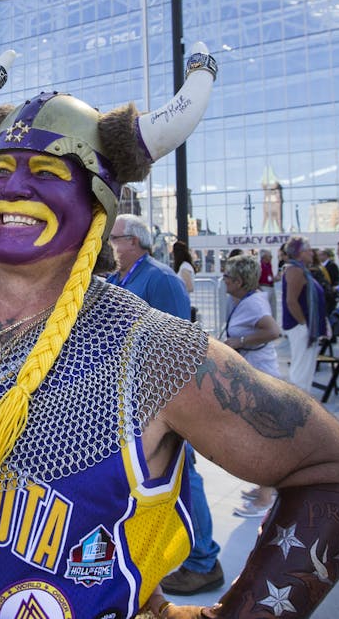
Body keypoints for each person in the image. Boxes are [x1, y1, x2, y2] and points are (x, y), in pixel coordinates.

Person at [0, 70, 339, 619]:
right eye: (0, 170)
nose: (14, 188)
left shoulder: (150, 351)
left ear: (97, 204)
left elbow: (337, 470)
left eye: (46, 171)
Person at [109, 218, 223, 596]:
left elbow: (180, 344)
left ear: (135, 242)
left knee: (184, 472)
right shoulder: (122, 278)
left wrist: (171, 404)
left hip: (160, 400)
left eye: (116, 238)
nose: (110, 243)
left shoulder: (159, 279)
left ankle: (204, 560)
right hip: (130, 398)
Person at [217, 253, 283, 520]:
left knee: (261, 437)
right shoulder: (247, 300)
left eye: (229, 277)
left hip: (260, 375)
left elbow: (273, 331)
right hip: (253, 373)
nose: (224, 281)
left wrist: (240, 340)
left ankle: (265, 498)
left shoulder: (254, 304)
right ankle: (264, 488)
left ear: (241, 281)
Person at [108, 215, 192, 320]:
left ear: (133, 241)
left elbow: (178, 333)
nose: (107, 244)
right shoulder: (113, 278)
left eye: (113, 238)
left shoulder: (163, 279)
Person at [280, 237, 325, 393]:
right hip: (300, 327)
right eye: (309, 250)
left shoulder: (300, 269)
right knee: (301, 371)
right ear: (300, 253)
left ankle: (301, 403)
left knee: (305, 369)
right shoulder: (295, 270)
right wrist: (304, 325)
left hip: (304, 326)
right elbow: (291, 301)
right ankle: (299, 405)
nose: (312, 253)